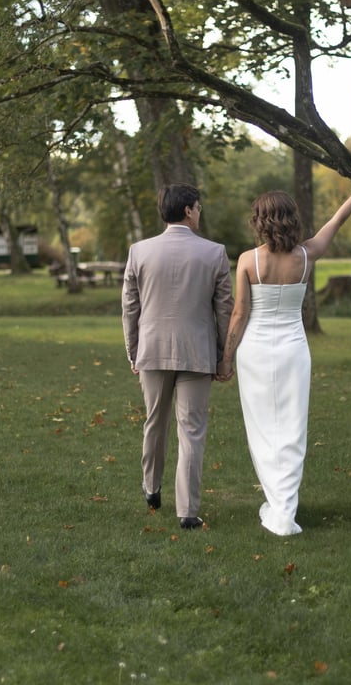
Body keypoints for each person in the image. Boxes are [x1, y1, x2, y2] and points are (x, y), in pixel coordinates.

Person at [219, 174, 351, 536]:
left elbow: (240, 314)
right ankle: (284, 507)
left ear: (260, 222)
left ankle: (279, 506)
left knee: (263, 428)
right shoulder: (307, 256)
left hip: (255, 352)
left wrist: (226, 358)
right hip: (293, 350)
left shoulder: (248, 260)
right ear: (291, 219)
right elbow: (336, 220)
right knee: (292, 428)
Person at [122, 183, 234, 530]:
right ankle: (187, 510)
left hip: (152, 349)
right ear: (187, 210)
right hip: (197, 351)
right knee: (192, 430)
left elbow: (130, 307)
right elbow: (224, 310)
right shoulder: (215, 253)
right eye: (198, 207)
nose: (200, 212)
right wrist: (224, 356)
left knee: (155, 421)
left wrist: (133, 351)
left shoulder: (139, 251)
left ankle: (151, 487)